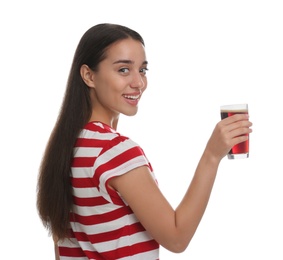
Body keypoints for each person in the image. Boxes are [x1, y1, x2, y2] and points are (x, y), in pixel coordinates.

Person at [36, 23, 252, 260]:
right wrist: (212, 156)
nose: (139, 82)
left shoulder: (68, 146)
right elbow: (177, 237)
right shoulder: (114, 151)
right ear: (89, 75)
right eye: (123, 70)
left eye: (142, 70)